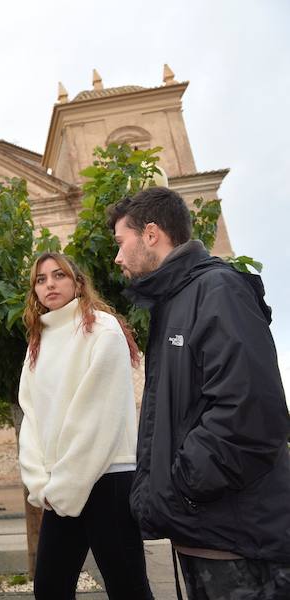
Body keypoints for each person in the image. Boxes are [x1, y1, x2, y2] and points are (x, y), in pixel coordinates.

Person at [109, 186, 290, 598]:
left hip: (239, 545)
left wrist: (182, 485)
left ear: (151, 233)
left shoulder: (218, 290)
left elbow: (251, 413)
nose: (117, 257)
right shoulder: (173, 302)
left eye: (121, 243)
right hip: (206, 534)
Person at [18, 253, 153, 599]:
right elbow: (31, 416)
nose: (49, 284)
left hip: (107, 478)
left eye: (58, 276)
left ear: (78, 282)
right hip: (59, 487)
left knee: (128, 590)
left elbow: (96, 416)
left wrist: (62, 485)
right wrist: (39, 481)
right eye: (41, 279)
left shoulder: (103, 329)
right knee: (49, 588)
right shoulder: (38, 342)